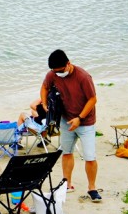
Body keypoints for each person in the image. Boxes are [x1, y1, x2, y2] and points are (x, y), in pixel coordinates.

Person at [40, 50, 100, 202]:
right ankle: (67, 183)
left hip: (85, 122)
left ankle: (92, 188)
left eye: (61, 71)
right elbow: (45, 87)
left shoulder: (83, 77)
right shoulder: (52, 74)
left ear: (68, 63)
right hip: (65, 120)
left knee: (90, 156)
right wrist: (45, 104)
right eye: (55, 71)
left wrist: (79, 118)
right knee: (66, 152)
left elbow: (93, 99)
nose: (58, 74)